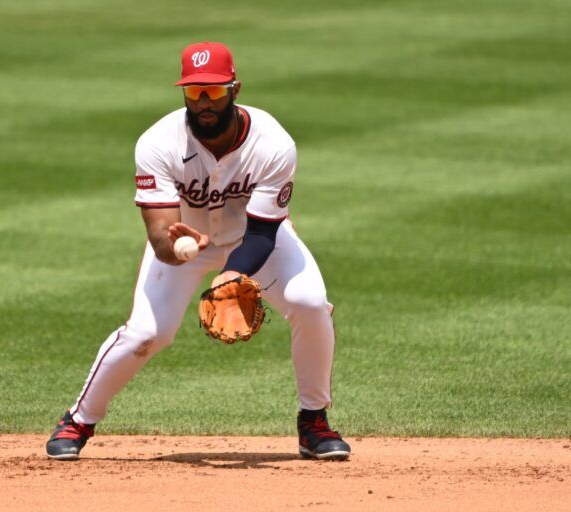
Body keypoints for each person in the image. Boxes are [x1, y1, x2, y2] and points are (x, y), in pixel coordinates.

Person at [46, 42, 350, 461]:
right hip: (187, 245)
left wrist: (233, 273)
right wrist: (179, 249)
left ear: (235, 89)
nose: (203, 102)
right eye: (193, 92)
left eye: (213, 91)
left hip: (256, 239)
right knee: (147, 335)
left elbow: (262, 233)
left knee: (310, 303)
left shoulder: (273, 143)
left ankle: (313, 422)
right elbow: (159, 237)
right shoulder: (158, 143)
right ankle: (78, 420)